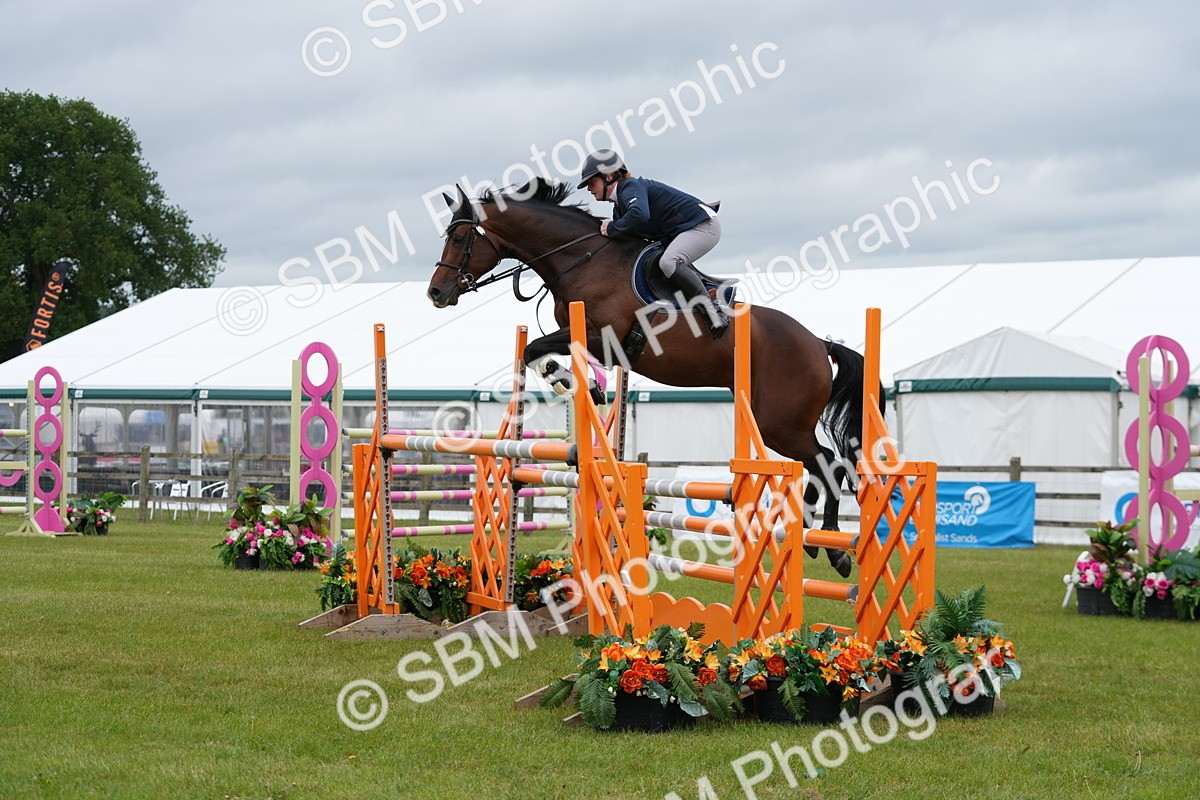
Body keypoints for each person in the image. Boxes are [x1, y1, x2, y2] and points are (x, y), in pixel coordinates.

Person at [578, 150, 728, 339]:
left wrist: (613, 228)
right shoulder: (619, 208)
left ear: (609, 176)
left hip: (704, 226)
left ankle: (713, 311)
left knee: (668, 262)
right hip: (685, 230)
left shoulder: (630, 186)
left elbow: (640, 215)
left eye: (592, 183)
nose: (589, 189)